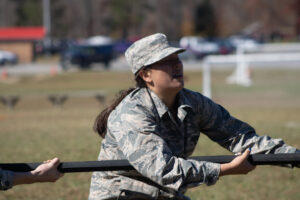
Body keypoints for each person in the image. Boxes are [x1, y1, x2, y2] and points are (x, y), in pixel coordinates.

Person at [88, 33, 299, 200]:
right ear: (146, 74)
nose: (177, 65)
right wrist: (224, 170)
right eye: (166, 61)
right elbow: (163, 169)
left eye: (177, 58)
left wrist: (294, 156)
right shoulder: (131, 114)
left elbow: (241, 138)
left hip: (164, 194)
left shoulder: (193, 103)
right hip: (121, 196)